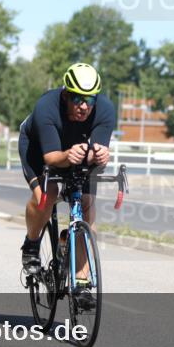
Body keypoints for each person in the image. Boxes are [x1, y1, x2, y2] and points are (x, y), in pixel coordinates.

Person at [17, 63, 115, 300]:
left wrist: (100, 155)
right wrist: (68, 155)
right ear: (65, 94)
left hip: (77, 154)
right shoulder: (46, 107)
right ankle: (31, 244)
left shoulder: (105, 110)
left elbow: (95, 156)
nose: (83, 106)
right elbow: (52, 158)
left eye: (89, 100)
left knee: (87, 207)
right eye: (77, 99)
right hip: (39, 149)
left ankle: (81, 280)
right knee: (47, 195)